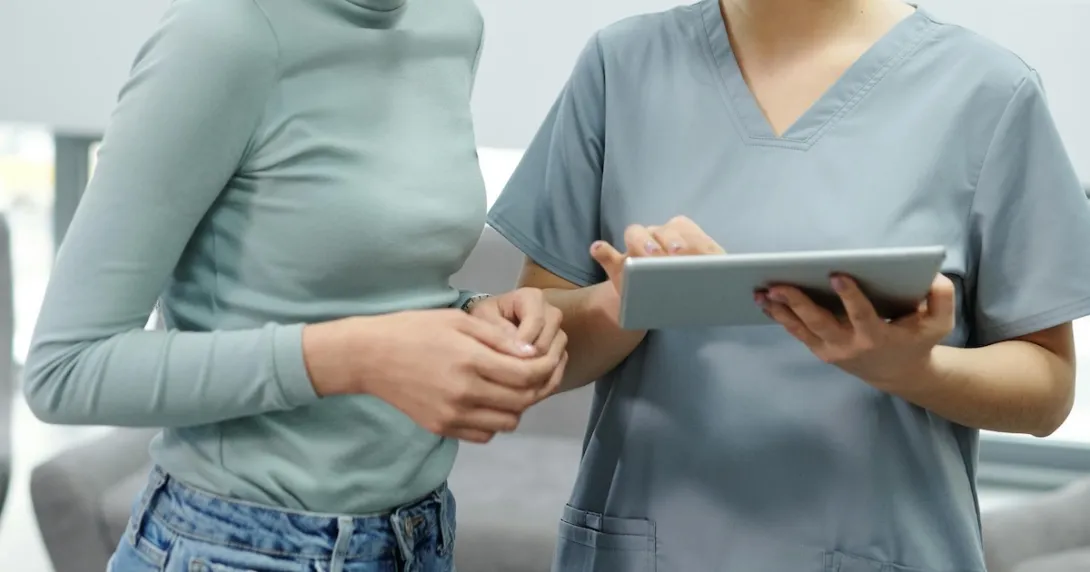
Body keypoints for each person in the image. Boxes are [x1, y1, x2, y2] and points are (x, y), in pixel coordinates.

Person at [487, 0, 1090, 570]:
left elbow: (1047, 389)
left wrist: (911, 370)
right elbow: (542, 344)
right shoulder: (619, 67)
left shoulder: (986, 92)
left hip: (881, 541)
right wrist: (629, 299)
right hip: (650, 542)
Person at [23, 0, 568, 571]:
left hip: (420, 538)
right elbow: (65, 369)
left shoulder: (451, 22)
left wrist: (474, 315)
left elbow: (376, 280)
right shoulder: (222, 33)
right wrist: (355, 358)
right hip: (232, 548)